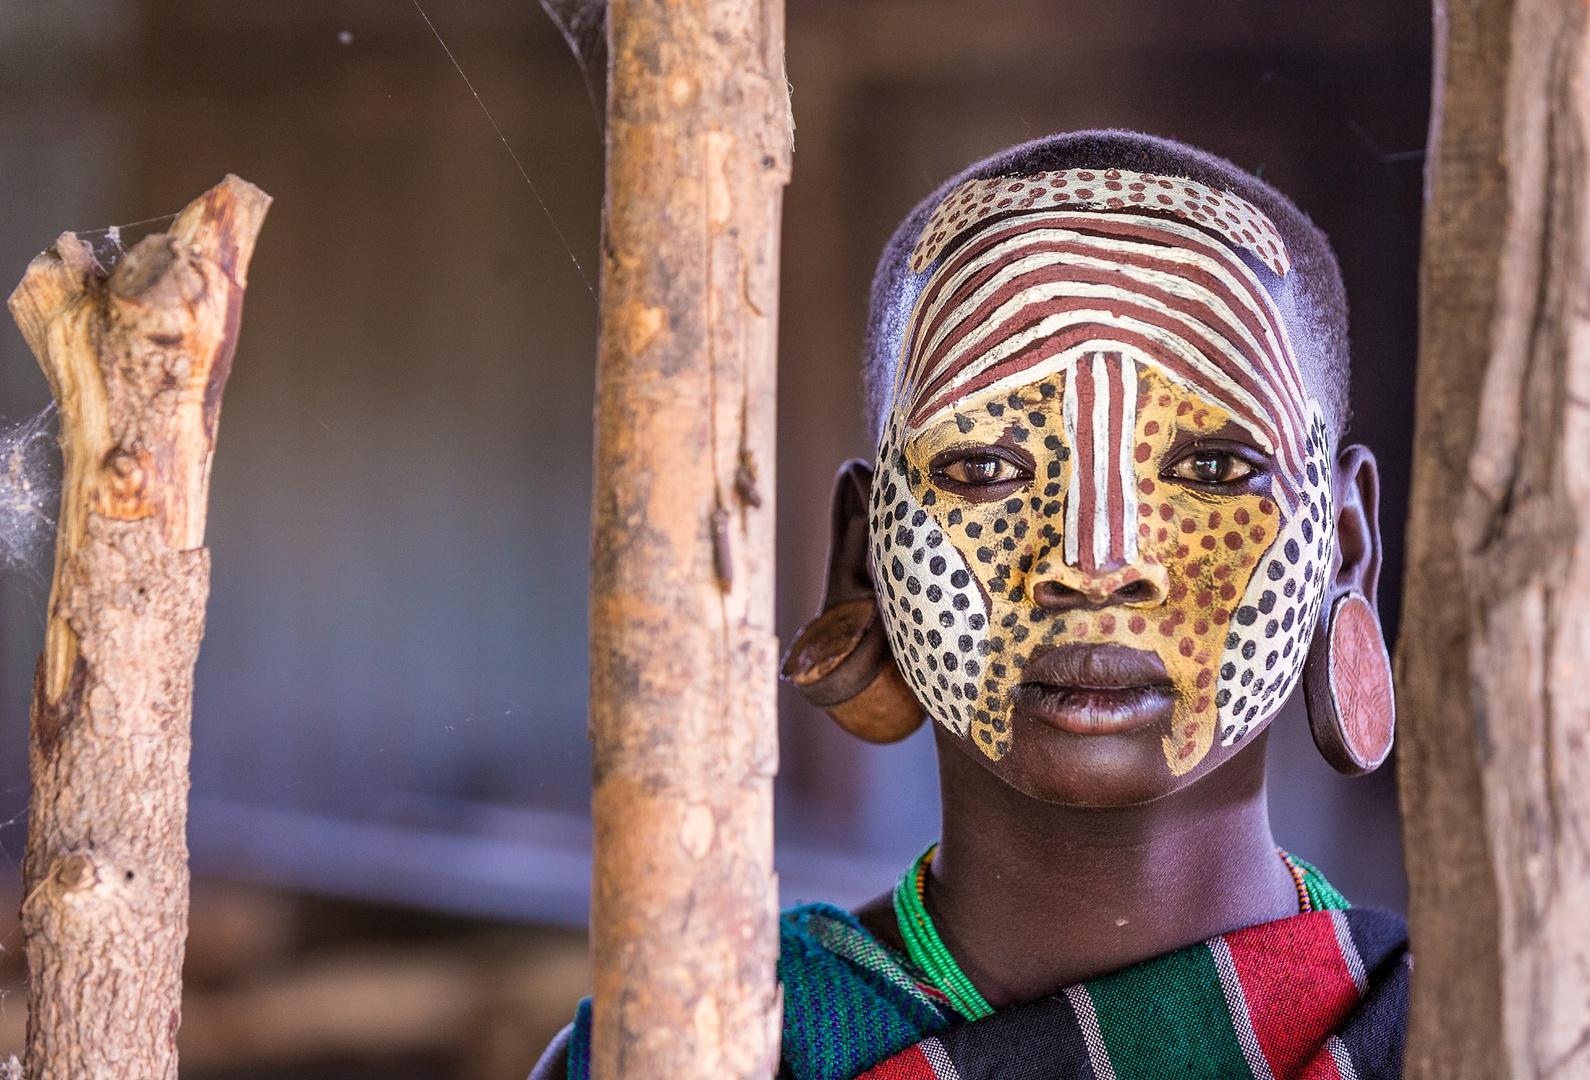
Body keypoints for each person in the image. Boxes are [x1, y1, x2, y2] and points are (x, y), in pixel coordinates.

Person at [533, 129, 1407, 1080]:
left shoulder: (1482, 1037)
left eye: (1212, 469)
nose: (1097, 563)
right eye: (985, 468)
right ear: (864, 555)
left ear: (1346, 548)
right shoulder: (684, 1051)